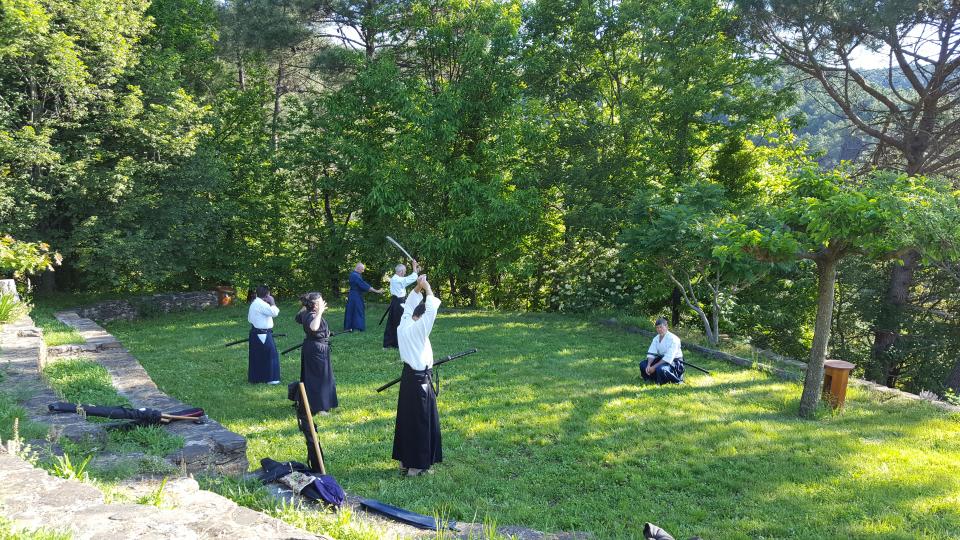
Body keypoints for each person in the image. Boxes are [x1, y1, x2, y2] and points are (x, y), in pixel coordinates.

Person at [392, 275, 442, 476]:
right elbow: (432, 310)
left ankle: (405, 462)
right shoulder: (419, 330)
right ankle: (416, 466)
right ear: (420, 318)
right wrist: (428, 288)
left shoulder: (404, 323)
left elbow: (410, 305)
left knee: (407, 419)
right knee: (419, 422)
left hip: (408, 378)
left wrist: (417, 288)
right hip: (419, 380)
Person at [296, 292, 337, 414]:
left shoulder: (305, 313)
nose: (323, 302)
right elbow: (314, 327)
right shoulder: (312, 315)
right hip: (316, 350)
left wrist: (307, 306)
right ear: (314, 305)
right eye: (320, 300)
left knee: (315, 376)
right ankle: (319, 408)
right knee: (319, 378)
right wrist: (319, 312)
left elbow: (297, 318)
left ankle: (310, 403)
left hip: (314, 347)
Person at [247, 285, 280, 384]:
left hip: (256, 332)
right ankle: (271, 379)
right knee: (270, 355)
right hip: (262, 333)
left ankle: (256, 378)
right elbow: (274, 313)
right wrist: (272, 302)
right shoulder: (262, 304)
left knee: (257, 356)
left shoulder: (255, 303)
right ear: (267, 295)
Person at [383, 261, 420, 349]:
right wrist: (414, 267)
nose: (405, 273)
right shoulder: (397, 279)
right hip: (398, 302)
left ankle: (393, 343)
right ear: (401, 272)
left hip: (398, 301)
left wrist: (416, 270)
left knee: (395, 322)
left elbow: (409, 278)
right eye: (404, 271)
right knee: (398, 322)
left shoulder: (397, 279)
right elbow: (410, 279)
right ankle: (393, 343)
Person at [639, 318, 684, 384]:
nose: (659, 329)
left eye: (661, 327)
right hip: (661, 359)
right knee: (643, 364)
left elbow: (668, 357)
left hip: (674, 362)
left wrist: (654, 367)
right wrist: (649, 365)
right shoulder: (656, 338)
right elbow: (651, 353)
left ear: (666, 327)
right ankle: (653, 378)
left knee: (661, 369)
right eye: (657, 328)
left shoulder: (674, 339)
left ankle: (670, 379)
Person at [343, 263, 383, 331]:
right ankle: (358, 327)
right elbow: (364, 285)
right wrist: (376, 291)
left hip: (354, 295)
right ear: (358, 268)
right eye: (362, 269)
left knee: (352, 310)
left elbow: (361, 285)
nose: (363, 271)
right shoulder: (355, 275)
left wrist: (369, 289)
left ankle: (350, 326)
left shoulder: (355, 274)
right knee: (358, 310)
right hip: (355, 296)